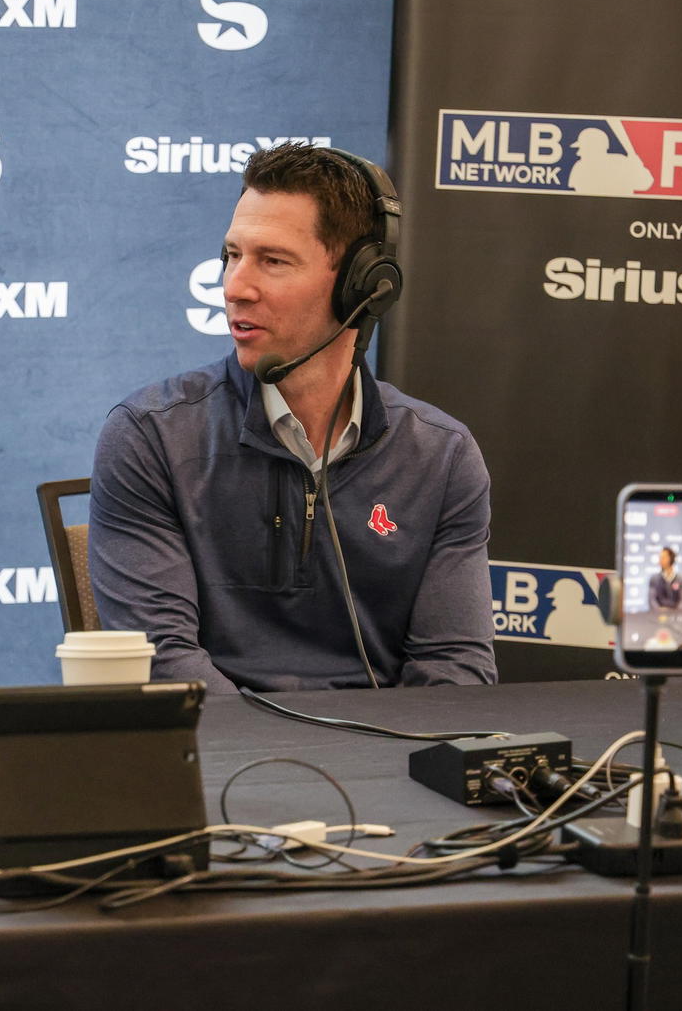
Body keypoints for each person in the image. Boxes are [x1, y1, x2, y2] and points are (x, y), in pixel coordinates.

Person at [90, 143, 496, 693]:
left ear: (364, 284)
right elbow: (165, 662)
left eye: (273, 261)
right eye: (232, 255)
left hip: (382, 760)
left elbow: (455, 669)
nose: (236, 287)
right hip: (220, 761)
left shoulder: (441, 455)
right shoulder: (152, 435)